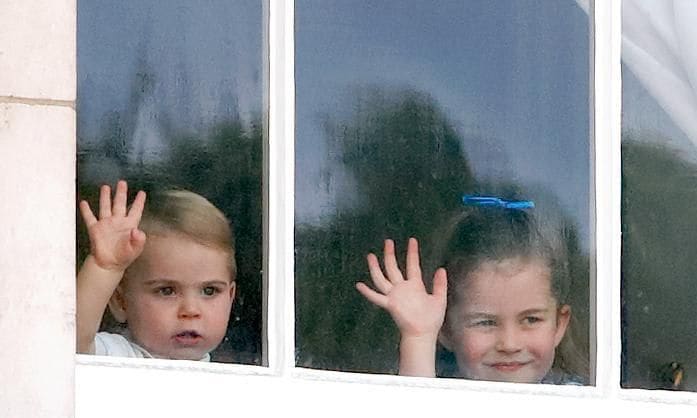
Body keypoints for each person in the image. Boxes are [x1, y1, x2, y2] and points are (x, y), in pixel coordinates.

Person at [356, 196, 586, 384]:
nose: (509, 344)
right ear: (446, 329)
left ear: (559, 324)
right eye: (485, 322)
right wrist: (419, 337)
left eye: (532, 319)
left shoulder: (577, 399)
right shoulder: (444, 390)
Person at [76, 180, 236, 361]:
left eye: (209, 291)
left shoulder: (232, 376)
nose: (190, 310)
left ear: (230, 298)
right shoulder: (117, 356)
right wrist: (104, 267)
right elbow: (69, 341)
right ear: (121, 302)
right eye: (167, 291)